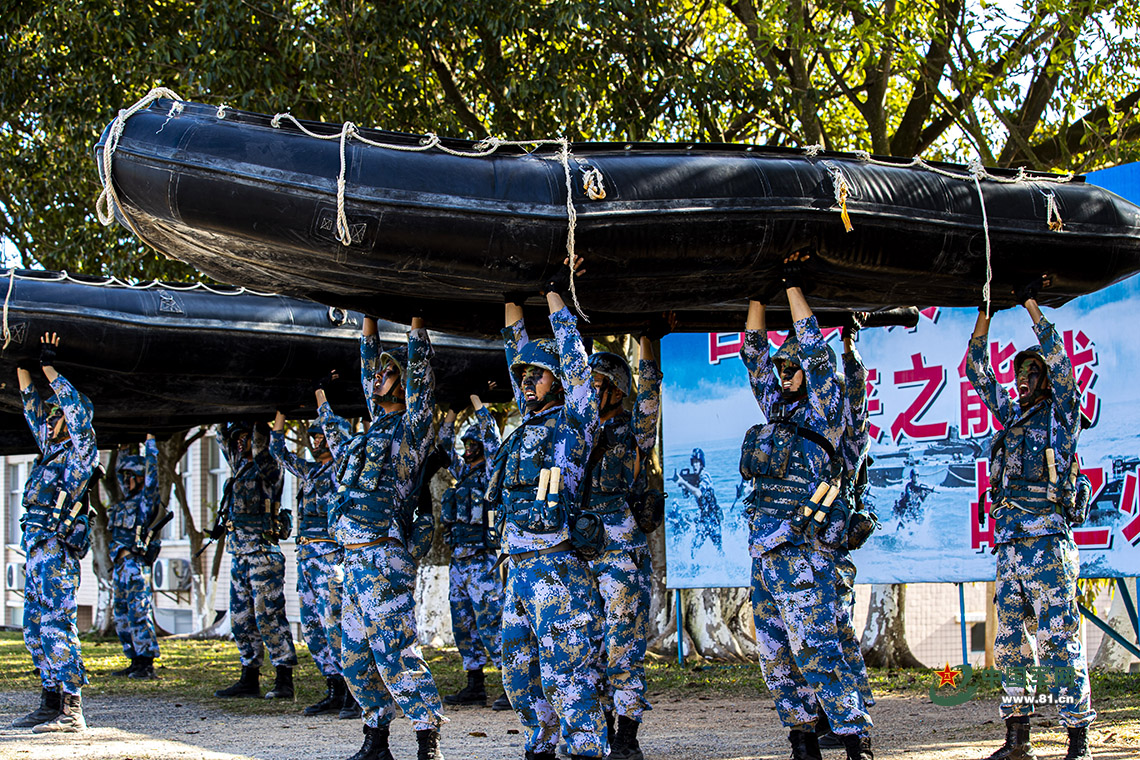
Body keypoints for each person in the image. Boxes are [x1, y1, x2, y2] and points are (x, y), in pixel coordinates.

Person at [738, 255, 873, 760]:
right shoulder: (778, 411)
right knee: (775, 655)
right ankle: (801, 738)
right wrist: (756, 295)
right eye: (784, 366)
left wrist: (791, 286)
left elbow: (816, 353)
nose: (786, 373)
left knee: (819, 649)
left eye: (792, 367)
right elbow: (753, 355)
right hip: (765, 552)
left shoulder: (829, 412)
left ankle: (856, 739)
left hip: (806, 549)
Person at [966, 280, 1094, 760]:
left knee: (1059, 641)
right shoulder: (1011, 418)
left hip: (1046, 546)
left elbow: (1061, 363)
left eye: (1030, 372)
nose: (1021, 379)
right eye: (1018, 372)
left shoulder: (1060, 418)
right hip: (1011, 546)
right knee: (1012, 643)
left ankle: (1076, 739)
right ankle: (1017, 740)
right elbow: (975, 369)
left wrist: (1030, 306)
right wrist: (987, 311)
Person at [487, 261, 607, 760]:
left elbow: (576, 363)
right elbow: (516, 349)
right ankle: (541, 747)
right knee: (518, 676)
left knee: (570, 678)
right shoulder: (525, 422)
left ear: (556, 380)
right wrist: (511, 295)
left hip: (557, 569)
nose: (529, 382)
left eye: (539, 375)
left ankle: (585, 752)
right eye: (525, 377)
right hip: (516, 570)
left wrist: (553, 294)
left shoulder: (573, 422)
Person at [316, 315, 445, 760]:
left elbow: (423, 381)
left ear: (402, 380)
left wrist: (415, 331)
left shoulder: (411, 430)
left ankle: (428, 736)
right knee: (352, 655)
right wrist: (367, 328)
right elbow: (367, 362)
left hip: (383, 558)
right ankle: (376, 737)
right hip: (351, 560)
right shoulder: (369, 430)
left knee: (395, 652)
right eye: (375, 374)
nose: (376, 378)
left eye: (387, 373)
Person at [580, 329, 665, 760]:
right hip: (581, 555)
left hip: (620, 556)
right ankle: (602, 730)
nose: (591, 392)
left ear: (617, 391)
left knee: (623, 647)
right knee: (587, 648)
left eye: (598, 384)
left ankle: (627, 738)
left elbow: (650, 392)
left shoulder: (633, 433)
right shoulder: (574, 433)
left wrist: (648, 340)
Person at [10, 333, 98, 733]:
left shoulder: (81, 452)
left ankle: (71, 708)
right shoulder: (51, 450)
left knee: (56, 623)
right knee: (33, 626)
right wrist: (20, 364)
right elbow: (31, 407)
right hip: (36, 549)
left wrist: (50, 368)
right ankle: (49, 702)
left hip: (57, 551)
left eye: (56, 413)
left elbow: (75, 412)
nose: (50, 417)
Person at [270, 413, 359, 719]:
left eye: (322, 436)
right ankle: (333, 687)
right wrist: (281, 418)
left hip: (331, 557)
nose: (317, 441)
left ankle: (354, 691)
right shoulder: (311, 471)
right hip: (306, 556)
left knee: (336, 625)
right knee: (313, 625)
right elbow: (278, 453)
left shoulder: (342, 469)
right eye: (314, 437)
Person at [818, 318, 875, 748]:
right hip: (808, 546)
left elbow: (856, 390)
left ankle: (853, 712)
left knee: (838, 632)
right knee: (815, 634)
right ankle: (828, 716)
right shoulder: (814, 436)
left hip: (835, 549)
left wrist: (850, 347)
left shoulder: (852, 436)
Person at [211, 421, 298, 701]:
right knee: (240, 619)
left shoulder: (269, 467)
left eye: (246, 437)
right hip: (240, 555)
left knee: (268, 616)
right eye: (238, 438)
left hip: (262, 554)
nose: (239, 442)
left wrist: (263, 427)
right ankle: (249, 676)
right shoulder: (238, 468)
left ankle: (284, 678)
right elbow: (222, 438)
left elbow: (262, 450)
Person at [438, 396, 510, 711]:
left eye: (472, 443)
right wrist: (452, 412)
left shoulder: (493, 472)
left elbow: (494, 440)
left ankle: (513, 684)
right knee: (463, 622)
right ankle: (474, 683)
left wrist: (480, 406)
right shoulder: (463, 473)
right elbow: (442, 444)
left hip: (483, 560)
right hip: (459, 560)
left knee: (492, 621)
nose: (468, 449)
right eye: (465, 444)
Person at [108, 434, 161, 680]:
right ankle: (132, 658)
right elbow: (119, 471)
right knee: (120, 613)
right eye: (125, 476)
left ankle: (145, 661)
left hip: (135, 565)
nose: (127, 480)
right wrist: (122, 448)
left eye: (132, 476)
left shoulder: (144, 502)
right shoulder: (123, 504)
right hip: (119, 565)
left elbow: (152, 479)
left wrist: (150, 445)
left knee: (139, 611)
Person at [673, 448, 723, 557]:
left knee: (719, 549)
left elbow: (699, 493)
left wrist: (683, 482)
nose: (695, 465)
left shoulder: (705, 476)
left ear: (701, 463)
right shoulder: (695, 478)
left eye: (697, 462)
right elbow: (685, 496)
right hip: (703, 519)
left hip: (713, 518)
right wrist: (683, 485)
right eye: (694, 462)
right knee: (694, 548)